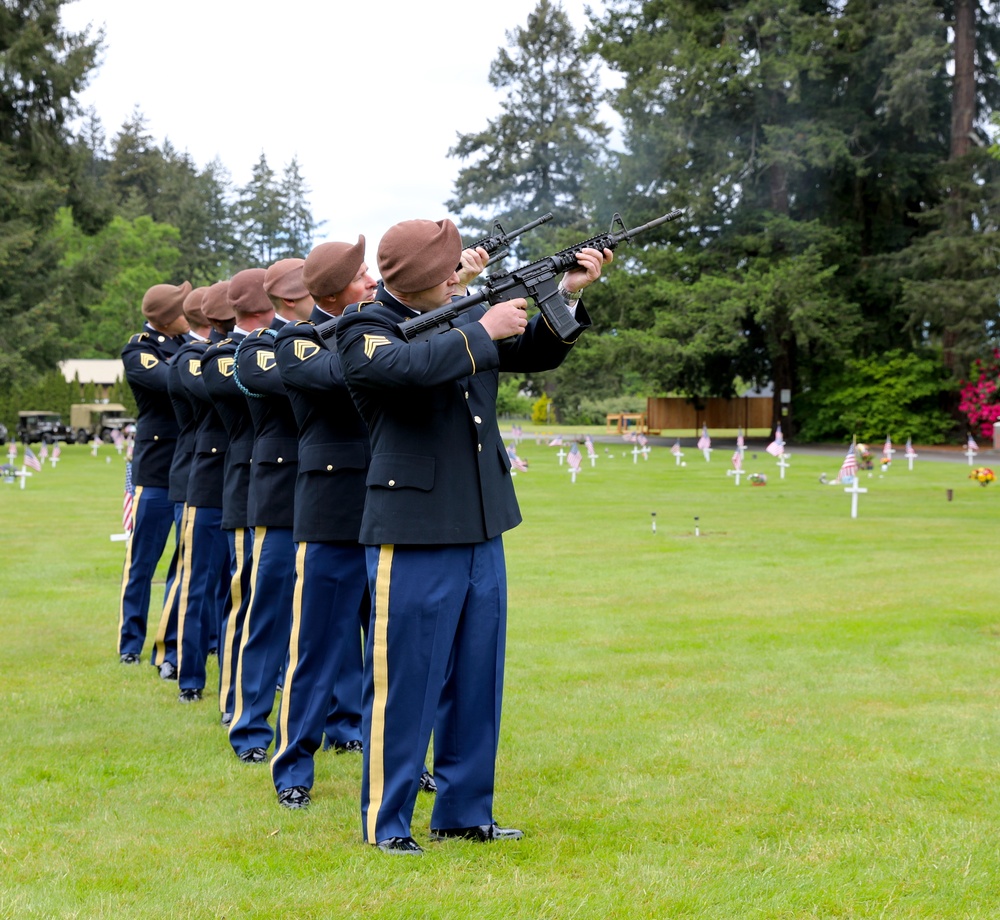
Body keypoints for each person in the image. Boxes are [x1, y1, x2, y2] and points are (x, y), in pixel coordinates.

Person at [335, 218, 610, 853]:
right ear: (427, 277)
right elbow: (405, 370)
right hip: (415, 528)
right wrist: (479, 326)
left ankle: (463, 812)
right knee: (406, 683)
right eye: (449, 270)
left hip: (482, 520)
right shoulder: (362, 327)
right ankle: (387, 823)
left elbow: (535, 351)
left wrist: (562, 294)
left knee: (477, 680)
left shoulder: (461, 313)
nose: (460, 275)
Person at [269, 239, 377, 809]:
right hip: (332, 512)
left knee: (387, 648)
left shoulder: (378, 322)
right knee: (316, 649)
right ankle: (293, 768)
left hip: (387, 507)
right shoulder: (296, 342)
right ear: (337, 291)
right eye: (363, 275)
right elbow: (344, 373)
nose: (375, 280)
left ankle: (392, 754)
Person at [226, 264, 305, 763]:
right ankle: (251, 726)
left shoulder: (346, 330)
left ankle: (344, 722)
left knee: (337, 624)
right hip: (280, 499)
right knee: (269, 614)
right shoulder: (258, 346)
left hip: (335, 493)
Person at [200, 278, 272, 727]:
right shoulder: (223, 357)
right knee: (247, 600)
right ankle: (233, 698)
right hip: (252, 490)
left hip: (288, 488)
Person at [118, 281, 191, 665]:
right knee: (142, 562)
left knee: (183, 564)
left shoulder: (184, 345)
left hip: (187, 467)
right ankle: (130, 642)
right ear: (166, 319)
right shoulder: (139, 350)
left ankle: (169, 644)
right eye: (182, 309)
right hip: (156, 468)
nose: (189, 315)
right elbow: (169, 381)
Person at [150, 285, 212, 681]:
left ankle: (206, 645)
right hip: (195, 477)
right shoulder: (188, 357)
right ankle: (170, 650)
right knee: (189, 576)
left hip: (214, 477)